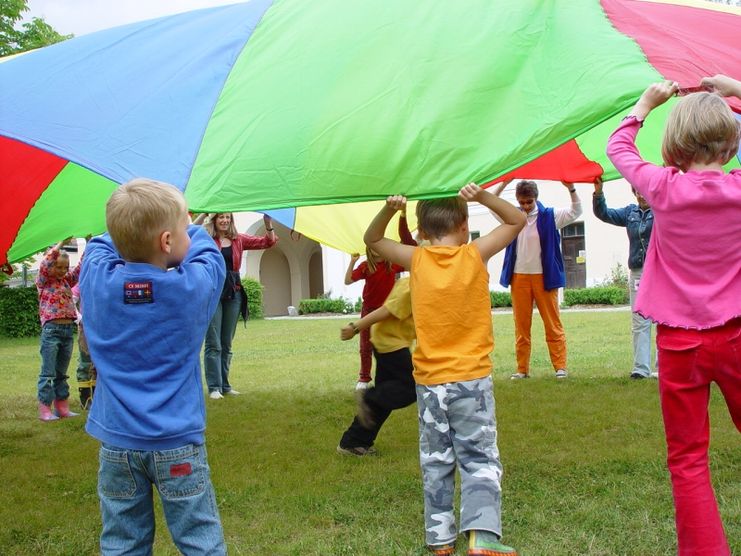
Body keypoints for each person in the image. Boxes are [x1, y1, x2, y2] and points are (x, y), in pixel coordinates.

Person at [606, 75, 741, 556]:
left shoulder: (660, 186)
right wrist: (735, 90)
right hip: (737, 336)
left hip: (679, 343)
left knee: (688, 460)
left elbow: (619, 147)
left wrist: (645, 103)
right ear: (730, 143)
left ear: (676, 144)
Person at [364, 183, 525, 556]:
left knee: (436, 460)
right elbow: (516, 220)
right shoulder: (474, 253)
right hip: (471, 379)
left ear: (420, 232)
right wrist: (482, 196)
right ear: (465, 225)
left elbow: (372, 238)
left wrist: (391, 208)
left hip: (430, 384)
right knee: (479, 457)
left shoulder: (415, 260)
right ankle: (482, 534)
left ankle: (439, 540)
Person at [79, 178, 227, 554]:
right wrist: (184, 224)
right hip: (177, 444)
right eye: (181, 230)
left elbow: (99, 243)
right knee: (200, 541)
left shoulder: (97, 282)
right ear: (166, 241)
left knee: (122, 543)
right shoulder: (190, 289)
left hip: (116, 443)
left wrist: (137, 225)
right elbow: (207, 251)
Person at [494, 180, 582, 379]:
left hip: (545, 278)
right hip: (519, 277)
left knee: (552, 324)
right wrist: (503, 183)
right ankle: (522, 369)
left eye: (529, 202)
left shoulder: (550, 215)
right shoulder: (512, 216)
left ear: (536, 198)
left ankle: (560, 367)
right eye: (522, 202)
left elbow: (576, 211)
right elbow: (493, 205)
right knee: (521, 326)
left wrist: (571, 188)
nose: (525, 206)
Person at [199, 212, 277, 399]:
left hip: (233, 292)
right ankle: (214, 388)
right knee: (214, 343)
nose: (225, 220)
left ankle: (225, 386)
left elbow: (268, 242)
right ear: (214, 220)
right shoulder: (206, 238)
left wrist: (268, 223)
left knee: (226, 343)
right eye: (220, 217)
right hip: (213, 293)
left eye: (227, 217)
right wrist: (203, 214)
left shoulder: (238, 239)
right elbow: (188, 233)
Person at [337, 276, 416, 456]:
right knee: (411, 385)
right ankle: (368, 396)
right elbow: (385, 311)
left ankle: (353, 442)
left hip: (390, 342)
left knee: (385, 399)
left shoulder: (424, 283)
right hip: (391, 344)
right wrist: (355, 327)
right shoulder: (411, 285)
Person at [592, 178, 657, 379]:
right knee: (639, 319)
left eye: (643, 191)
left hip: (660, 271)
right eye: (636, 191)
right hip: (638, 272)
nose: (640, 195)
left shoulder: (663, 210)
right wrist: (598, 193)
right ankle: (641, 368)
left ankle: (664, 367)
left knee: (663, 319)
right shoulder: (630, 213)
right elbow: (604, 214)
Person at [344, 248, 404, 390]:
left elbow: (412, 263)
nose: (377, 250)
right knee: (366, 346)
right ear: (369, 249)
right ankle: (364, 378)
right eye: (373, 246)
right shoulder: (365, 266)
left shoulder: (392, 264)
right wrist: (352, 262)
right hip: (369, 311)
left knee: (390, 345)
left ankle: (391, 376)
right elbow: (347, 281)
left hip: (387, 312)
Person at [35, 238, 81, 421]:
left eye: (65, 267)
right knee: (48, 372)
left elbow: (79, 270)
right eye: (58, 267)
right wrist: (61, 244)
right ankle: (45, 409)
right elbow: (46, 261)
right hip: (51, 331)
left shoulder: (66, 282)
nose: (62, 270)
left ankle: (62, 407)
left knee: (62, 373)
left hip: (67, 331)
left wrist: (89, 243)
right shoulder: (44, 281)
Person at [71, 283, 96, 409]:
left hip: (103, 328)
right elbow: (70, 299)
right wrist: (79, 319)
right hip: (86, 328)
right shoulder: (82, 283)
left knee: (99, 364)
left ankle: (97, 397)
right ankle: (85, 399)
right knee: (86, 362)